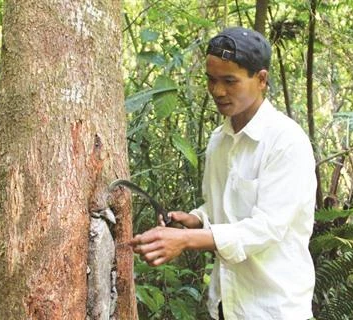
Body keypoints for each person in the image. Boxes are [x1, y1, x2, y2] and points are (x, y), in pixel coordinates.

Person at [129, 26, 317, 320]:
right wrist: (195, 220)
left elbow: (267, 227)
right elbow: (222, 207)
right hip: (225, 305)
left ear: (261, 79)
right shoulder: (220, 139)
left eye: (230, 81)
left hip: (273, 309)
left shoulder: (286, 142)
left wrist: (188, 241)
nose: (218, 91)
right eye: (212, 79)